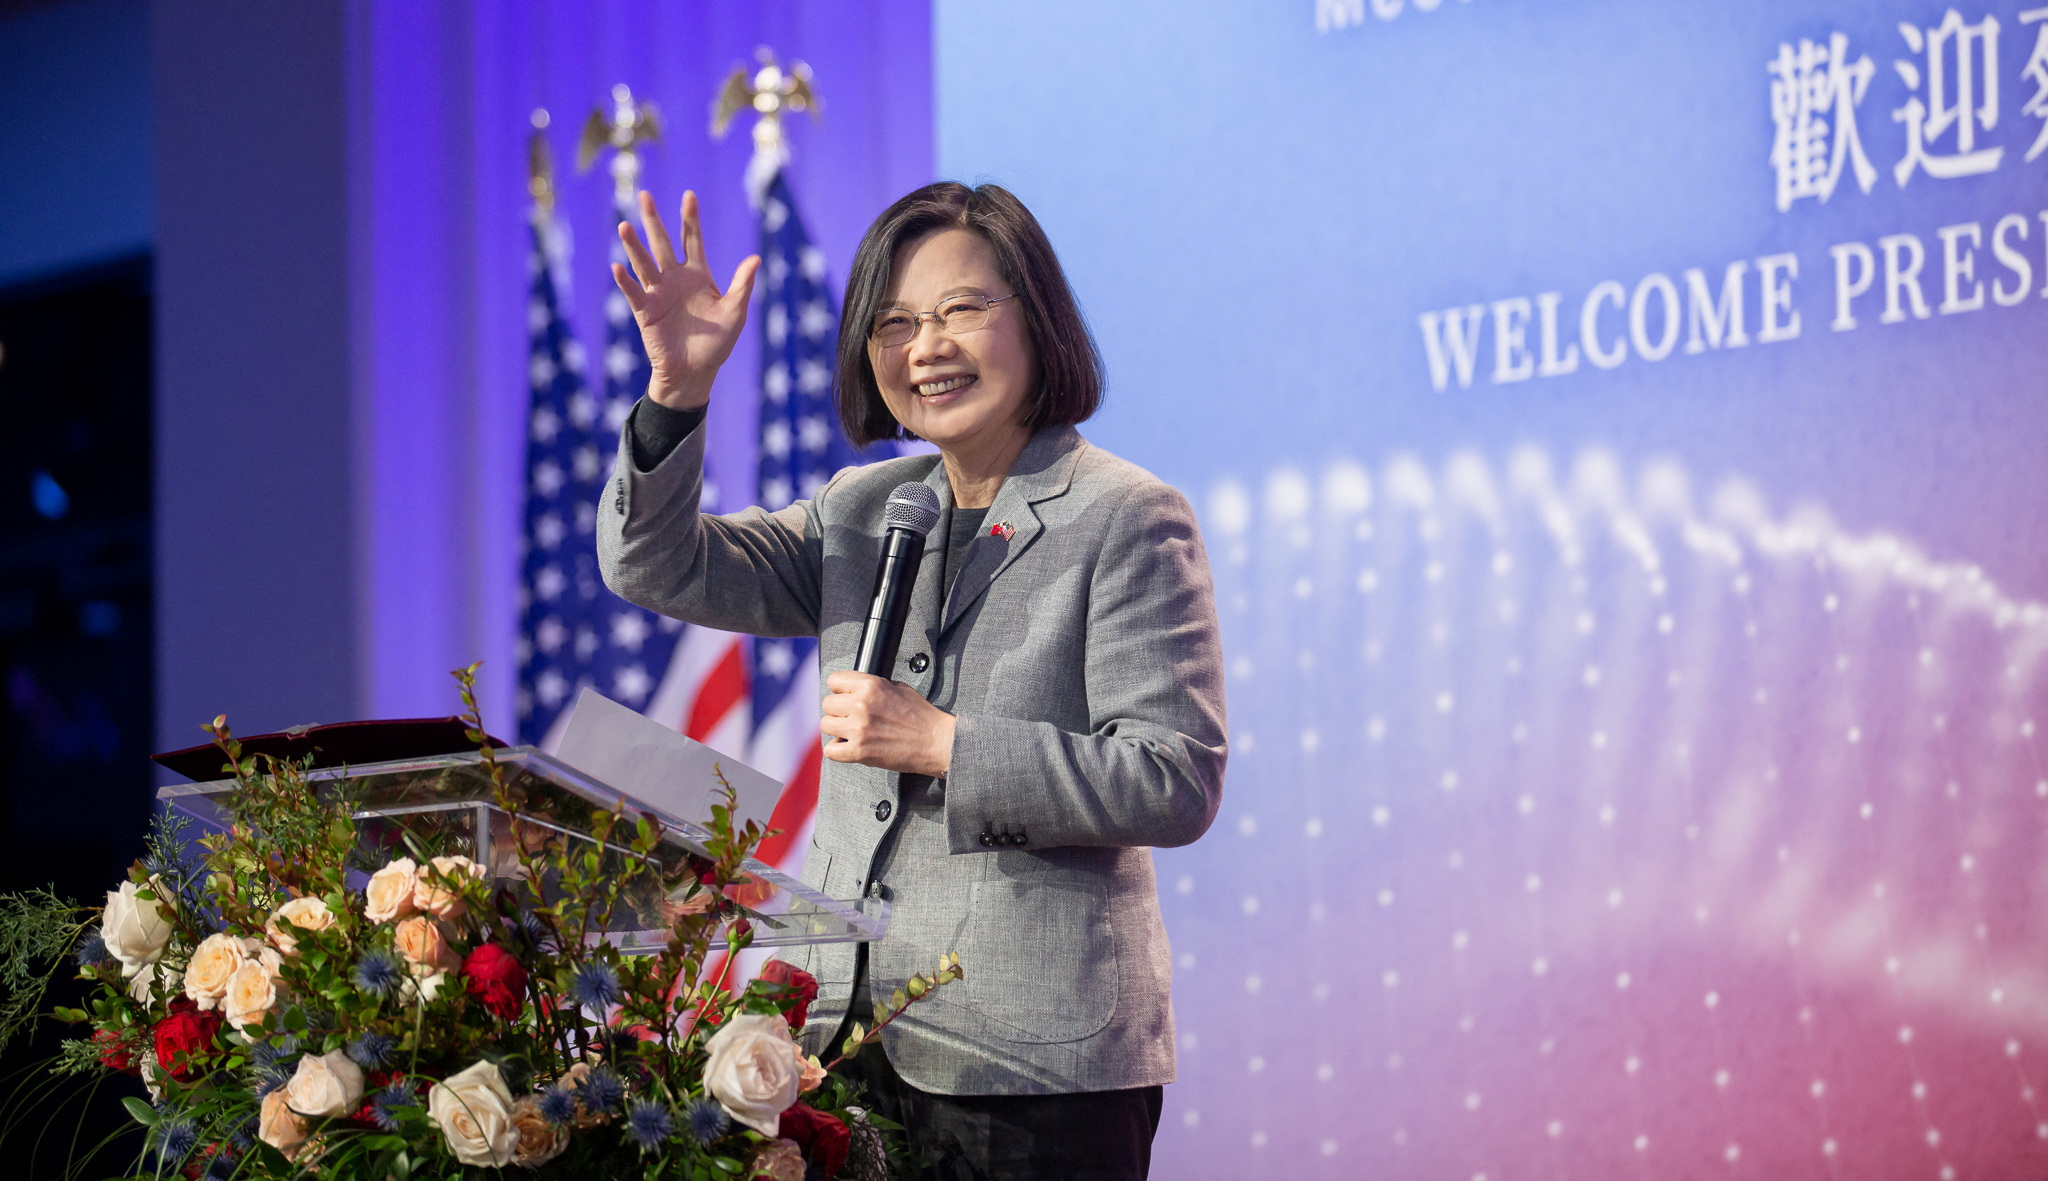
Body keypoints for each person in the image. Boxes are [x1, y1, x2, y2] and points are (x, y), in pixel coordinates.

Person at [598, 181, 1226, 1180]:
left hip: (1034, 1069)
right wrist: (676, 394)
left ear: (1037, 318)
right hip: (844, 1051)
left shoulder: (1126, 517)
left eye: (960, 309)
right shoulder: (861, 509)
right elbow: (653, 565)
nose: (924, 345)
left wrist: (945, 744)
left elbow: (1171, 775)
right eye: (893, 322)